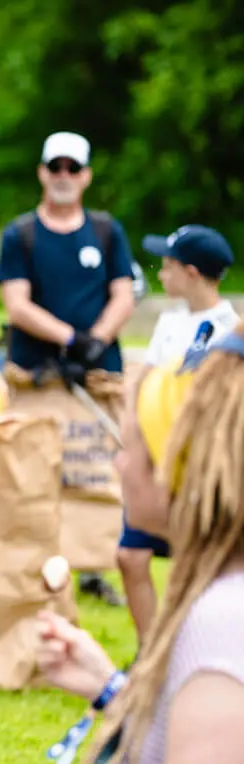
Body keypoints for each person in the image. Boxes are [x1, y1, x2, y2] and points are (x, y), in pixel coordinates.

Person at [37, 323, 244, 764]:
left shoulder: (220, 626)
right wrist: (111, 688)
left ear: (174, 471)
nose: (119, 465)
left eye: (130, 446)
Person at [0, 131, 136, 606]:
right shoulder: (21, 234)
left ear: (86, 176)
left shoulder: (106, 230)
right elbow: (16, 304)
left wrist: (97, 340)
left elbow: (123, 292)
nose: (63, 176)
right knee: (35, 475)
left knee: (96, 472)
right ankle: (37, 571)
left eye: (72, 168)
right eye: (54, 167)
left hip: (96, 376)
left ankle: (93, 567)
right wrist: (70, 340)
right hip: (40, 375)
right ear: (42, 172)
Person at [117, 225, 237, 651]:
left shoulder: (228, 331)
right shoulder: (169, 322)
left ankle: (190, 650)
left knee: (195, 566)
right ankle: (150, 651)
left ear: (191, 273)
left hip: (192, 468)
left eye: (167, 266)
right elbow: (146, 378)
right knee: (130, 557)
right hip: (150, 463)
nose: (161, 274)